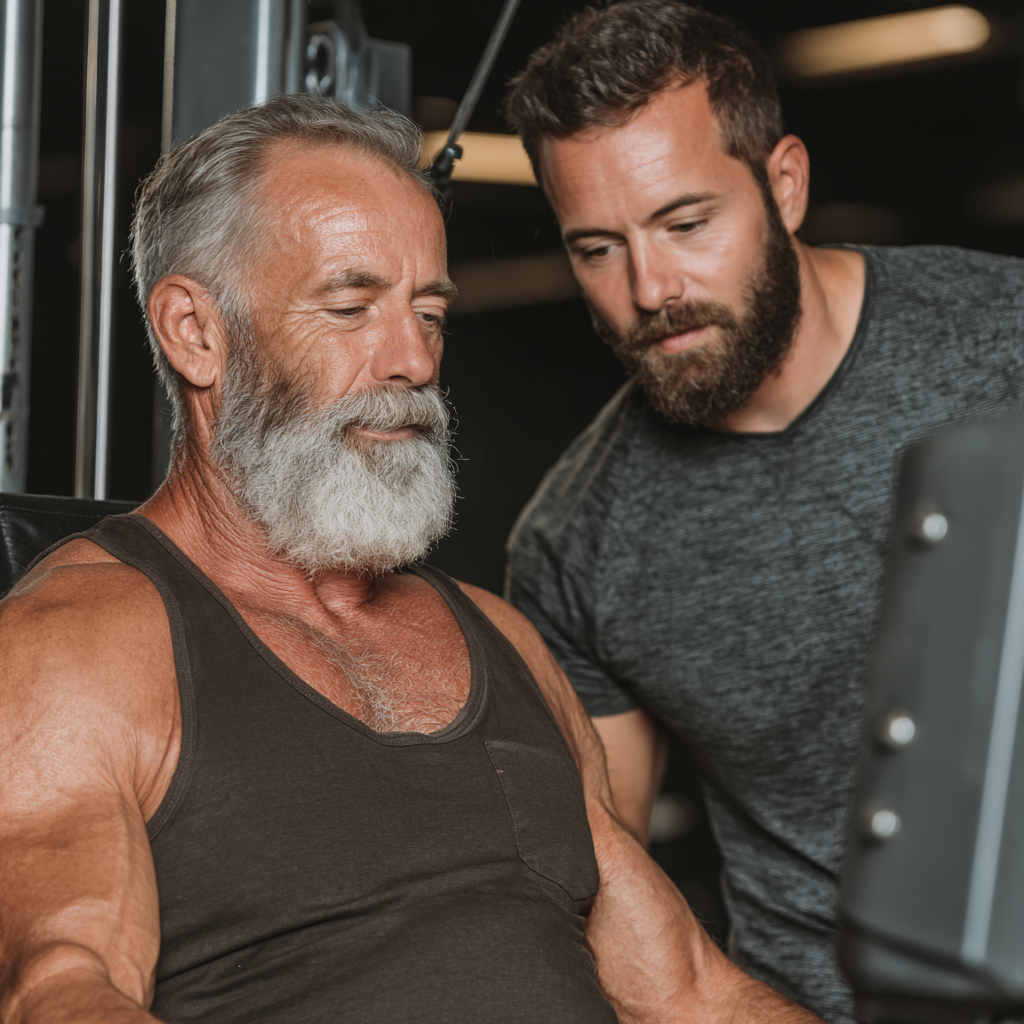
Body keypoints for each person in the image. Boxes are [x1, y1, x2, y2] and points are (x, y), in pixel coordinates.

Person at [0, 95, 821, 1024]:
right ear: (196, 332)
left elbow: (689, 994)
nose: (412, 360)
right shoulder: (76, 648)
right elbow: (60, 990)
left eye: (427, 312)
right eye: (351, 307)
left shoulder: (500, 639)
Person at [503, 3, 1024, 1022]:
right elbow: (600, 894)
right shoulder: (576, 542)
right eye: (595, 249)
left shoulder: (1003, 346)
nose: (648, 289)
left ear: (783, 184)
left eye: (684, 223)